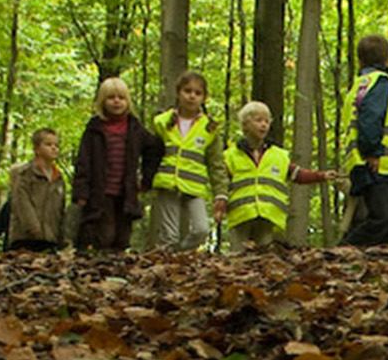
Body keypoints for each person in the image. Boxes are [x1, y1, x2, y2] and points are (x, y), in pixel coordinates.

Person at [221, 101, 337, 250]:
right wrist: (220, 205)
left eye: (266, 121)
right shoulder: (231, 156)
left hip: (268, 215)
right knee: (238, 254)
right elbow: (221, 183)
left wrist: (321, 175)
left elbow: (297, 174)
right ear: (245, 124)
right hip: (241, 215)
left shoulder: (278, 155)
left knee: (264, 254)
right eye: (258, 120)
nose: (263, 125)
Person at [71, 77, 162, 251]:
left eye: (121, 97)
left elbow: (154, 150)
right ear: (102, 101)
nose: (116, 101)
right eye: (111, 98)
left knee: (122, 235)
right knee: (105, 234)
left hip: (126, 191)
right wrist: (81, 192)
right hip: (100, 191)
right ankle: (98, 263)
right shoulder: (94, 129)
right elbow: (83, 162)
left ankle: (118, 269)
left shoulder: (134, 128)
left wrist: (146, 179)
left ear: (127, 101)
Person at [342, 34, 388, 245]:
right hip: (376, 164)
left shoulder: (358, 86)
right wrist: (372, 151)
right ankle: (341, 252)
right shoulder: (379, 83)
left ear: (360, 61)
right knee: (382, 220)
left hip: (367, 162)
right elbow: (371, 118)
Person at [150, 71, 229, 251]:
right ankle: (167, 265)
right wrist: (146, 179)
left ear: (203, 98)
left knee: (201, 229)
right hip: (167, 183)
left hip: (195, 185)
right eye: (187, 91)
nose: (192, 96)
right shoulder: (162, 122)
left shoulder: (209, 128)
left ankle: (181, 255)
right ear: (178, 93)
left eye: (197, 93)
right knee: (170, 235)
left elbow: (216, 163)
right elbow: (152, 154)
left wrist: (221, 193)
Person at [3, 128, 67, 251]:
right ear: (37, 149)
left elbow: (60, 209)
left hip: (50, 239)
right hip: (25, 238)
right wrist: (34, 228)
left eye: (56, 145)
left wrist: (61, 235)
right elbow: (21, 202)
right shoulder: (26, 174)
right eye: (48, 144)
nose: (54, 148)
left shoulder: (58, 179)